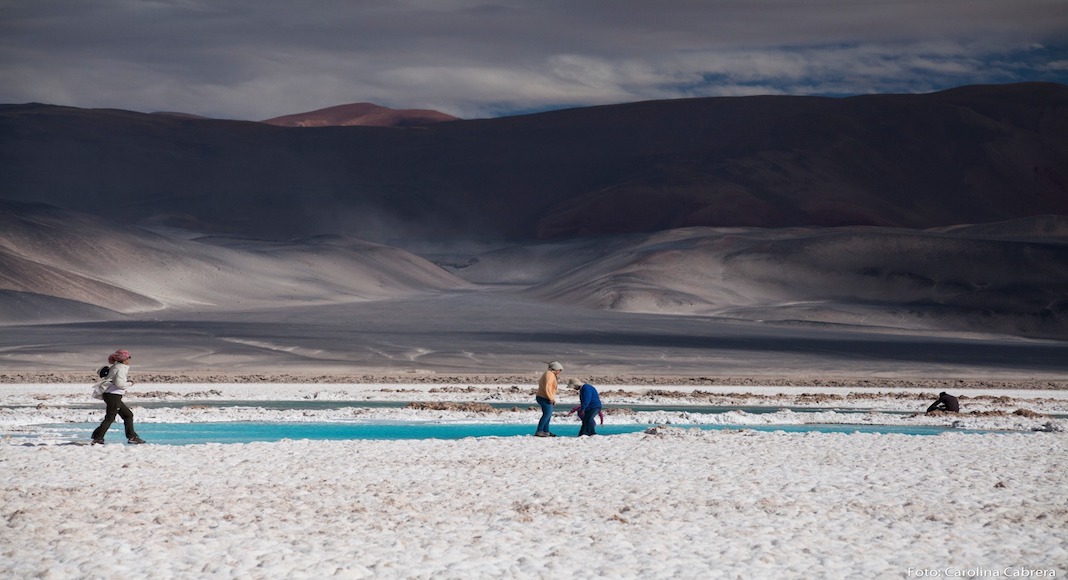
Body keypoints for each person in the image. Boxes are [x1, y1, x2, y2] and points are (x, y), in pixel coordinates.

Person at [91, 349, 145, 445]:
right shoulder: (121, 368)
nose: (130, 359)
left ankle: (132, 436)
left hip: (111, 395)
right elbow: (119, 383)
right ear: (124, 359)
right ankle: (98, 438)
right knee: (110, 417)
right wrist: (129, 383)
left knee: (128, 415)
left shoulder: (116, 367)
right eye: (129, 357)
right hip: (113, 395)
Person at [535, 361, 563, 437]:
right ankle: (539, 431)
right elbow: (547, 387)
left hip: (544, 396)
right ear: (555, 369)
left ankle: (546, 431)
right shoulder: (549, 375)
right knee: (547, 414)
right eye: (559, 370)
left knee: (548, 414)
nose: (559, 372)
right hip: (544, 397)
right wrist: (551, 398)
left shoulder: (550, 374)